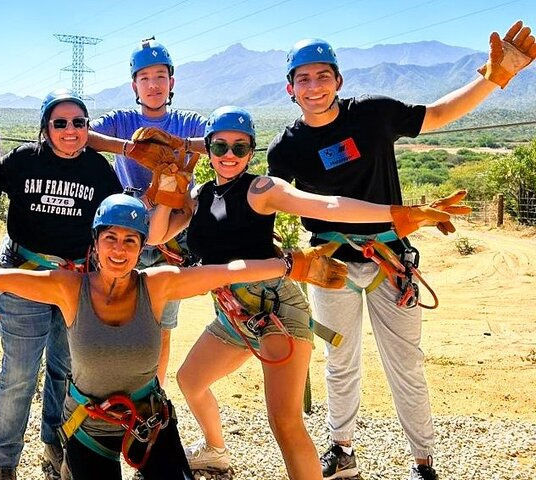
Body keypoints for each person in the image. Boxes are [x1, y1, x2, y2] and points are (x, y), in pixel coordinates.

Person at [0, 193, 350, 480]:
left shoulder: (158, 284)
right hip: (90, 428)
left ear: (142, 248)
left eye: (130, 241)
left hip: (150, 420)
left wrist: (292, 265)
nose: (119, 250)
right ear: (95, 242)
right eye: (111, 238)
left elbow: (227, 270)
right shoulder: (68, 288)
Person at [266, 22, 536, 480]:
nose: (314, 87)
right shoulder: (286, 149)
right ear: (290, 88)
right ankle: (341, 448)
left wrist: (493, 78)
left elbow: (438, 114)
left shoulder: (372, 114)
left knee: (405, 364)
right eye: (303, 79)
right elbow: (269, 206)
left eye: (322, 76)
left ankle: (423, 461)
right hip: (328, 267)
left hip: (391, 262)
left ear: (339, 81)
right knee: (339, 361)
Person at [144, 106, 463, 480]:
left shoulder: (262, 190)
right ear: (209, 150)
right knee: (190, 381)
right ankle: (215, 451)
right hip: (233, 315)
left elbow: (330, 205)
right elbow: (155, 236)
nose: (229, 155)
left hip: (277, 314)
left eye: (239, 147)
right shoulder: (200, 195)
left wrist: (398, 214)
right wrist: (167, 188)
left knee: (284, 421)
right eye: (220, 147)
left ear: (251, 151)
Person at [0, 90, 122, 480]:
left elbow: (113, 221)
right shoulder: (21, 162)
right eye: (60, 122)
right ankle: (4, 463)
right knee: (19, 374)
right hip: (26, 277)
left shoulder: (98, 169)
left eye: (78, 123)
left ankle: (55, 441)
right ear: (45, 128)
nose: (70, 129)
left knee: (65, 370)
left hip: (76, 282)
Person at [88, 37, 207, 386]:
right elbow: (86, 135)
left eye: (160, 77)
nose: (153, 85)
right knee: (110, 315)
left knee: (160, 326)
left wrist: (179, 146)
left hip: (171, 233)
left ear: (172, 82)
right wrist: (130, 147)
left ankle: (153, 392)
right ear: (134, 85)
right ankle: (108, 387)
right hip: (127, 230)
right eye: (145, 78)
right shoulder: (123, 120)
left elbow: (219, 139)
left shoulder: (187, 122)